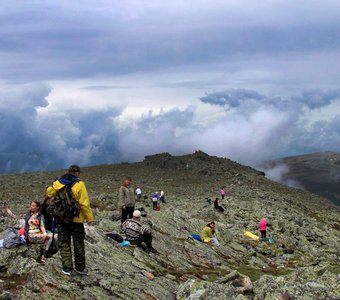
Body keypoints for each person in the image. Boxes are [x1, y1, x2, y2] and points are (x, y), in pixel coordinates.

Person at [46, 165, 93, 276]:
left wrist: (55, 184)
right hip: (77, 220)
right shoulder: (80, 184)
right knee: (78, 244)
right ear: (77, 173)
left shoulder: (59, 183)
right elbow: (84, 204)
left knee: (64, 243)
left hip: (62, 219)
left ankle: (67, 268)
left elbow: (48, 193)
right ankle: (80, 268)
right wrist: (89, 218)